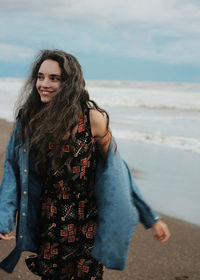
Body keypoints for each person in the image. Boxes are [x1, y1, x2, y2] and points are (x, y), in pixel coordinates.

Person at [0, 49, 170, 280]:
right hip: (48, 222)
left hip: (87, 222)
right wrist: (5, 216)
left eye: (54, 78)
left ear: (69, 82)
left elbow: (117, 170)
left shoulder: (93, 120)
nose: (44, 84)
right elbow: (12, 167)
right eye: (40, 77)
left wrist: (151, 218)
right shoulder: (29, 119)